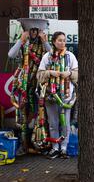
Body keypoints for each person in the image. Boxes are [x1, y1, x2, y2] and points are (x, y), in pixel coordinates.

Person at [8, 18, 52, 155]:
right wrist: (21, 41)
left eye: (36, 30)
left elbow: (53, 56)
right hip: (24, 84)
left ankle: (41, 143)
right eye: (31, 30)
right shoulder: (23, 43)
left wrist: (44, 41)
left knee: (41, 113)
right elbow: (11, 55)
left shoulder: (44, 44)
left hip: (39, 84)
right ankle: (23, 145)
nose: (33, 33)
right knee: (23, 114)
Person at [37, 31, 78, 159]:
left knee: (65, 122)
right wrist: (49, 72)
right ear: (54, 42)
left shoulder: (70, 56)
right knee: (53, 123)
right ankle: (55, 147)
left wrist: (69, 74)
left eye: (64, 40)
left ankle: (64, 148)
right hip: (51, 96)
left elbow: (77, 74)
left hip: (66, 96)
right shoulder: (47, 57)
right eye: (59, 40)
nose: (62, 43)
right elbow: (39, 75)